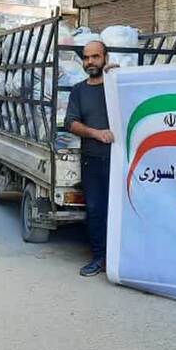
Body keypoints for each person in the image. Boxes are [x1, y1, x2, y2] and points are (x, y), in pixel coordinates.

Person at [65, 40, 114, 277]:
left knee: (119, 210)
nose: (90, 62)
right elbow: (71, 123)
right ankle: (98, 258)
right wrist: (96, 133)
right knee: (95, 210)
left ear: (105, 57)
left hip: (121, 160)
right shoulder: (79, 90)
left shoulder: (117, 85)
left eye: (95, 57)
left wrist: (119, 76)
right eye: (86, 58)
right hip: (92, 159)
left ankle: (121, 260)